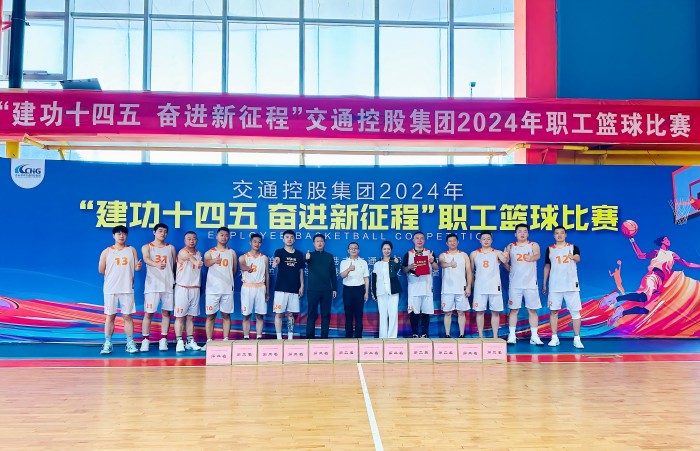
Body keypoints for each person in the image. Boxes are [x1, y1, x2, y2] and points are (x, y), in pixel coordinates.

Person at [607, 235, 700, 325]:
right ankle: (616, 298)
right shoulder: (657, 252)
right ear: (662, 242)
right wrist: (632, 240)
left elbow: (687, 264)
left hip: (660, 282)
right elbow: (640, 255)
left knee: (646, 310)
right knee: (643, 297)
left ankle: (621, 313)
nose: (669, 241)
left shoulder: (672, 254)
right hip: (653, 276)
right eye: (666, 239)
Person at [98, 225, 142, 355]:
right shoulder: (107, 251)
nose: (121, 236)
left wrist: (138, 267)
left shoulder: (131, 250)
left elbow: (136, 267)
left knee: (127, 316)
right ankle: (107, 343)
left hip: (127, 287)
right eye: (118, 233)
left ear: (126, 235)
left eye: (124, 234)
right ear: (113, 235)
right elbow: (101, 270)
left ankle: (130, 342)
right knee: (110, 316)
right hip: (110, 288)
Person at [542, 226, 584, 349]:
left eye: (562, 233)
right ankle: (554, 338)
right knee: (553, 312)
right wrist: (544, 283)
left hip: (571, 285)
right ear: (554, 235)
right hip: (555, 285)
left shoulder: (573, 247)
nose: (559, 235)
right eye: (557, 233)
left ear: (565, 234)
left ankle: (577, 338)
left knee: (575, 312)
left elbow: (578, 258)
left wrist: (573, 257)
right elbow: (547, 266)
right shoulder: (549, 249)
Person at [503, 223, 544, 345]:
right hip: (515, 284)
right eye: (519, 231)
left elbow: (537, 255)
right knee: (514, 310)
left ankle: (534, 336)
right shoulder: (511, 246)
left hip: (530, 284)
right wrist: (508, 265)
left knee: (532, 310)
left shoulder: (533, 245)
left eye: (525, 231)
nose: (522, 233)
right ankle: (512, 336)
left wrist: (531, 258)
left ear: (528, 233)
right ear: (515, 234)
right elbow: (505, 261)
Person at [139, 223, 176, 352]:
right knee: (148, 313)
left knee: (166, 313)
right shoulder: (147, 247)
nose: (163, 233)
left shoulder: (171, 248)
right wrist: (156, 264)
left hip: (167, 285)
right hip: (152, 285)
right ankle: (145, 340)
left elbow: (174, 265)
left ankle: (163, 339)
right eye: (160, 231)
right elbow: (146, 259)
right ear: (154, 232)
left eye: (165, 231)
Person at [203, 227, 237, 350]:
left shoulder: (231, 252)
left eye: (226, 235)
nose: (224, 237)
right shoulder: (209, 252)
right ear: (216, 237)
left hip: (227, 289)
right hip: (212, 290)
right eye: (221, 235)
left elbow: (234, 270)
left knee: (226, 315)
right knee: (210, 316)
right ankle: (209, 341)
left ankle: (226, 340)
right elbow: (206, 263)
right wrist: (214, 260)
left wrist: (228, 282)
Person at [470, 232, 507, 339]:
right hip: (480, 287)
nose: (486, 241)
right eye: (484, 239)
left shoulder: (497, 252)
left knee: (495, 312)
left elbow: (505, 260)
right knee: (479, 312)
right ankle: (480, 336)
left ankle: (495, 336)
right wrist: (471, 285)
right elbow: (471, 271)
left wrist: (506, 256)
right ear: (480, 240)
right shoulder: (474, 254)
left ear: (491, 240)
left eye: (488, 239)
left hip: (494, 286)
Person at [402, 231, 439, 338]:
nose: (419, 240)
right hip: (414, 287)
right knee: (414, 312)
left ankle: (424, 334)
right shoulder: (408, 254)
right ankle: (414, 333)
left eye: (421, 238)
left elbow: (436, 268)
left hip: (426, 287)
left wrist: (432, 261)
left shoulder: (429, 252)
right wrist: (410, 267)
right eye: (417, 238)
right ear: (413, 240)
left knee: (426, 311)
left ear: (424, 240)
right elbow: (403, 270)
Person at [271, 230, 305, 340]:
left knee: (290, 314)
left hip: (294, 288)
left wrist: (302, 285)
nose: (289, 239)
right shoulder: (279, 252)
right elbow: (277, 259)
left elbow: (301, 271)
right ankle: (279, 338)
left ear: (294, 239)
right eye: (287, 237)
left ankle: (290, 337)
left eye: (291, 237)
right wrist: (276, 262)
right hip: (281, 288)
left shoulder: (299, 254)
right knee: (279, 314)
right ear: (283, 239)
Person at [174, 231, 203, 352]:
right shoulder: (182, 252)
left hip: (195, 288)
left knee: (191, 317)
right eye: (189, 239)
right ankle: (179, 341)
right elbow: (188, 257)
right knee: (180, 317)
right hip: (182, 288)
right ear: (185, 241)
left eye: (194, 239)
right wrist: (195, 261)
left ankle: (190, 341)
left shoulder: (199, 253)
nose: (192, 241)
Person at [439, 233, 473, 338]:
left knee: (461, 312)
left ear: (458, 242)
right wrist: (450, 264)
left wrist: (468, 286)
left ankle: (462, 334)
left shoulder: (464, 255)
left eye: (454, 241)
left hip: (461, 288)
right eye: (450, 241)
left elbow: (469, 272)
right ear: (447, 243)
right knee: (447, 313)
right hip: (447, 289)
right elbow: (442, 263)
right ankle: (447, 334)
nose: (452, 243)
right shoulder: (443, 255)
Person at [305, 233, 338, 339]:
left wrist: (334, 288)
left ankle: (324, 338)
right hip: (313, 290)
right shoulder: (310, 255)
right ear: (313, 243)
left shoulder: (329, 256)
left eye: (321, 241)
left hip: (326, 290)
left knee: (325, 315)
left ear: (324, 243)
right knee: (311, 315)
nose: (319, 243)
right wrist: (307, 259)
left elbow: (333, 273)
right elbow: (304, 262)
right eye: (317, 241)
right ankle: (309, 338)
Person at [238, 233, 269, 340]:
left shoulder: (264, 258)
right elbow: (242, 266)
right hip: (247, 288)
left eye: (259, 242)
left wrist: (267, 291)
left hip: (261, 288)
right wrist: (248, 268)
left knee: (259, 315)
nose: (257, 244)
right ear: (250, 242)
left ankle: (259, 337)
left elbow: (267, 275)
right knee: (246, 315)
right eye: (255, 241)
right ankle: (246, 337)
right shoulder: (243, 257)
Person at [371, 241, 402, 339]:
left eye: (388, 249)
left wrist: (396, 263)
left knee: (393, 314)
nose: (386, 251)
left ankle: (392, 337)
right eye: (384, 249)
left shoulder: (395, 261)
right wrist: (374, 293)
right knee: (383, 315)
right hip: (381, 292)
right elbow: (374, 279)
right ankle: (383, 337)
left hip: (393, 291)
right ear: (382, 250)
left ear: (391, 250)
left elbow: (396, 269)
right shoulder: (377, 263)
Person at [339, 242, 369, 338]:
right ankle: (348, 338)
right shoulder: (344, 262)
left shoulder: (363, 262)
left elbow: (366, 278)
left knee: (359, 315)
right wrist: (348, 269)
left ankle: (358, 338)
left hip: (359, 290)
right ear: (348, 250)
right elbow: (342, 276)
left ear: (358, 250)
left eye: (355, 248)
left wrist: (366, 292)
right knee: (348, 315)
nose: (353, 250)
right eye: (351, 248)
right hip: (347, 290)